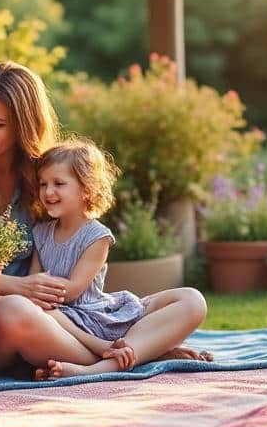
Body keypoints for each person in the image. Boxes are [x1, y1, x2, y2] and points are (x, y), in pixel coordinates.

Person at [0, 61, 208, 374]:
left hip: (61, 319)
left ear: (22, 127)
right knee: (15, 310)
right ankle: (133, 356)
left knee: (191, 301)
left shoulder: (44, 176)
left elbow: (78, 232)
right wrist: (20, 287)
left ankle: (129, 352)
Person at [27, 139, 208, 380]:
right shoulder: (40, 233)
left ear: (86, 189)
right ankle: (139, 352)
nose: (48, 192)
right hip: (62, 321)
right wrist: (32, 291)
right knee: (38, 310)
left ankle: (95, 369)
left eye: (58, 183)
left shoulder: (97, 236)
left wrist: (36, 290)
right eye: (43, 184)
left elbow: (71, 291)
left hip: (97, 316)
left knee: (192, 299)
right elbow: (32, 287)